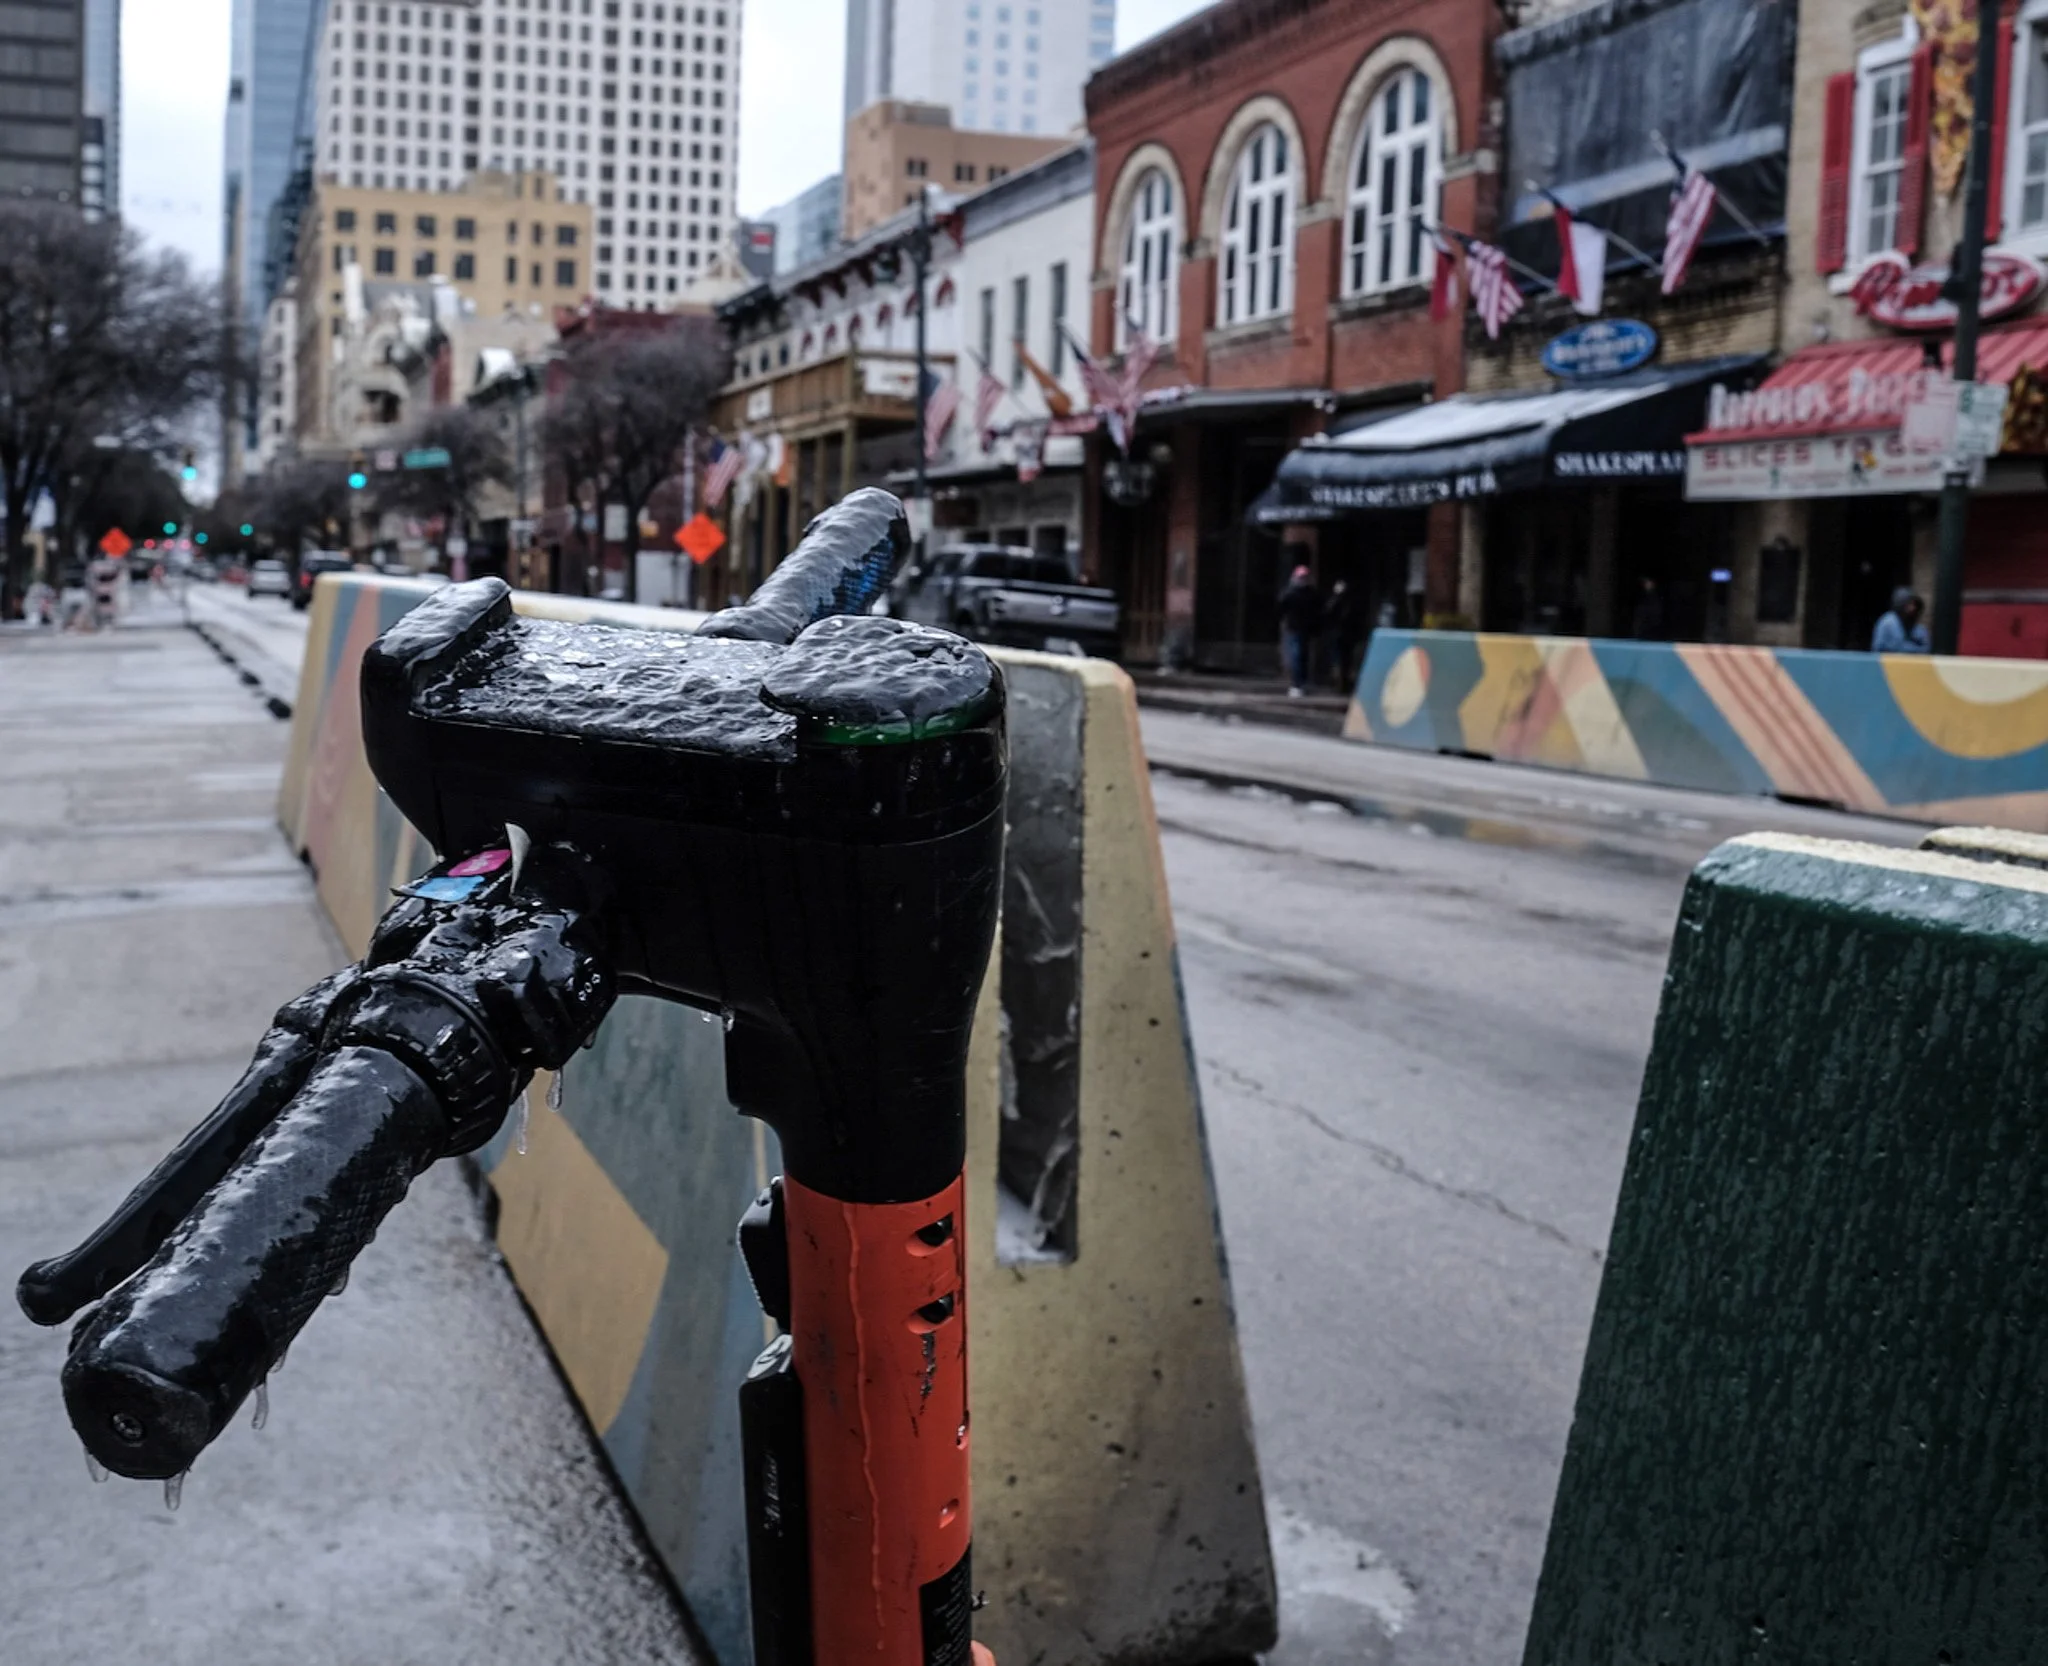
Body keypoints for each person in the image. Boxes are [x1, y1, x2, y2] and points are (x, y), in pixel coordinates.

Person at [1276, 565, 1322, 696]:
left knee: (1299, 655)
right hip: (1296, 628)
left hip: (1299, 628)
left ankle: (1299, 683)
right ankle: (1299, 682)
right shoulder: (1298, 593)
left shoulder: (1298, 593)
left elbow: (1281, 607)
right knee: (1299, 655)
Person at [1322, 579, 1363, 692]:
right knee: (1345, 660)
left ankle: (1340, 682)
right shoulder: (1351, 602)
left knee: (1339, 659)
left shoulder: (1337, 601)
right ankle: (1342, 682)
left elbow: (1327, 614)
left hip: (1340, 634)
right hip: (1345, 634)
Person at [1871, 588, 1930, 654]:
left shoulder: (1919, 628)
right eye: (1909, 604)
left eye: (1914, 605)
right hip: (1890, 662)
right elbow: (1878, 647)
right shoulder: (1888, 622)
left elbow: (1925, 648)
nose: (1912, 608)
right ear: (1901, 603)